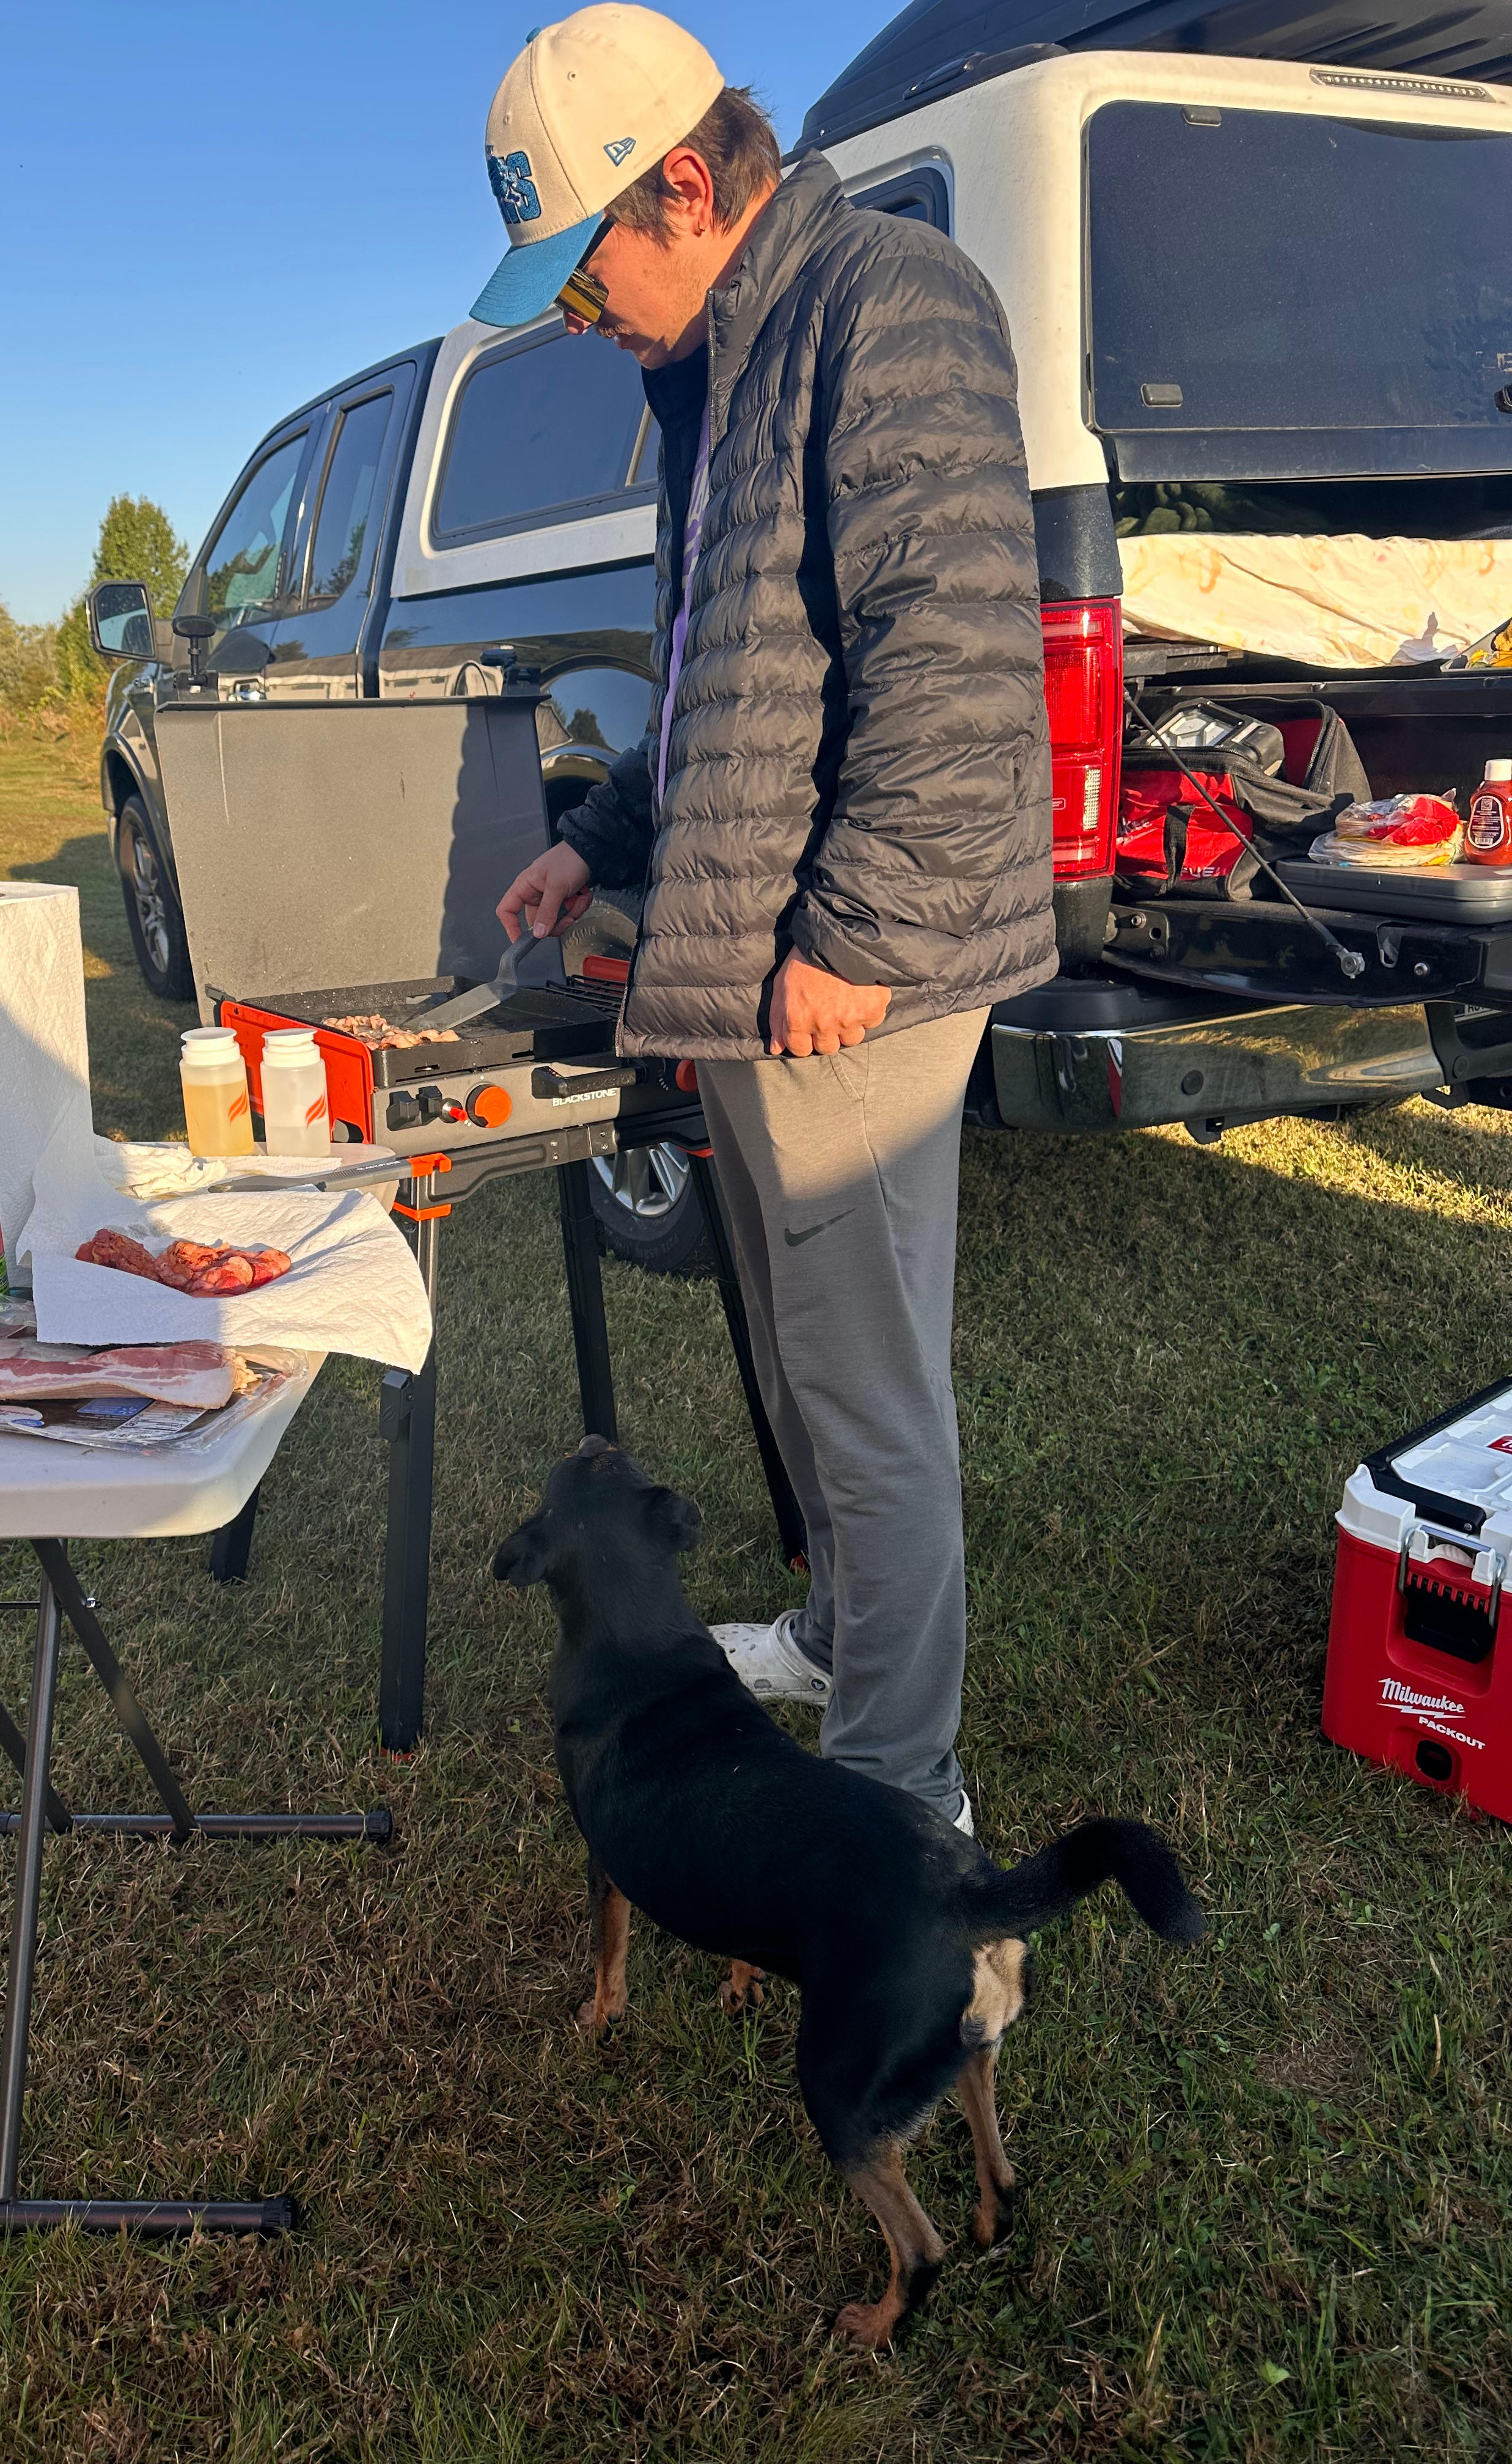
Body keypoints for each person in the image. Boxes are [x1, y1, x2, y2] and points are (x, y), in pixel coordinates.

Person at [474, 6, 1056, 1835]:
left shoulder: (888, 300)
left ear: (689, 181)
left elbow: (951, 657)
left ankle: (902, 1798)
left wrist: (861, 939)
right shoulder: (710, 373)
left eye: (587, 271)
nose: (581, 315)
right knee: (801, 1365)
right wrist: (602, 838)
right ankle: (827, 1628)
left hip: (846, 974)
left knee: (870, 1398)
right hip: (751, 963)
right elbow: (719, 683)